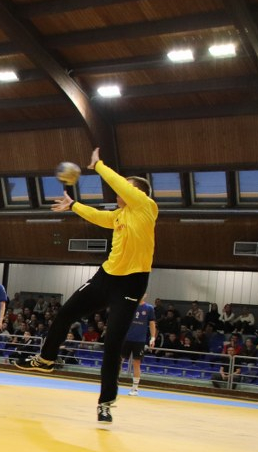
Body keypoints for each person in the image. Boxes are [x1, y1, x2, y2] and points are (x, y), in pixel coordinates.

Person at [17, 147, 158, 425]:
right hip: (106, 277)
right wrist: (74, 206)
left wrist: (99, 166)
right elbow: (98, 216)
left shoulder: (146, 208)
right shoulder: (120, 215)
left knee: (113, 343)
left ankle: (105, 402)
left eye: (125, 187)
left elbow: (119, 184)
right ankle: (46, 360)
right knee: (65, 313)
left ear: (138, 193)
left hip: (131, 284)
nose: (118, 191)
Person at [120, 293, 157, 396]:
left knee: (136, 363)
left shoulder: (149, 308)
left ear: (145, 295)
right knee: (119, 360)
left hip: (139, 340)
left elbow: (152, 323)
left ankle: (135, 388)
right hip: (126, 338)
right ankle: (113, 384)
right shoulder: (129, 305)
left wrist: (153, 337)